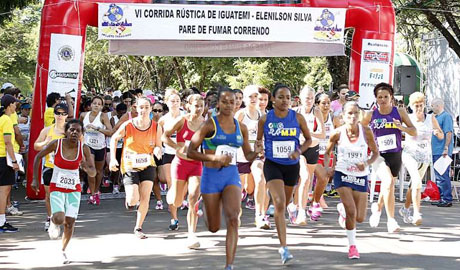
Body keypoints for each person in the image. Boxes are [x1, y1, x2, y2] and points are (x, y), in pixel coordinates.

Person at [187, 88, 262, 270]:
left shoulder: (241, 127)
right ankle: (204, 205)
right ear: (218, 104)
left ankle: (229, 265)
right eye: (225, 101)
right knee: (213, 228)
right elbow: (190, 151)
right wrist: (214, 158)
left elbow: (247, 154)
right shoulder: (209, 125)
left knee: (233, 218)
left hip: (231, 176)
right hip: (211, 177)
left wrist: (257, 151)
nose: (230, 105)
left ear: (237, 103)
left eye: (233, 101)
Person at [256, 83, 312, 264]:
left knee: (284, 204)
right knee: (279, 203)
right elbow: (258, 141)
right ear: (273, 99)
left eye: (288, 97)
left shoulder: (298, 118)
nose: (285, 101)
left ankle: (275, 200)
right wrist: (259, 149)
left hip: (291, 166)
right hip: (272, 164)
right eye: (281, 97)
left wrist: (299, 151)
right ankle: (284, 247)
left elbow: (309, 140)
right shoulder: (265, 119)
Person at [31, 119, 96, 264]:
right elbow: (38, 157)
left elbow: (93, 172)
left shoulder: (84, 149)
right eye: (71, 129)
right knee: (60, 219)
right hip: (57, 186)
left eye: (78, 131)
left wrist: (86, 168)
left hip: (74, 189)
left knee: (70, 222)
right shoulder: (57, 144)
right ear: (66, 131)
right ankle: (53, 222)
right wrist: (35, 179)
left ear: (81, 134)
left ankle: (63, 251)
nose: (74, 132)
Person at [324, 101, 379, 259]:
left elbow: (375, 152)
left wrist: (367, 163)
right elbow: (327, 152)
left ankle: (342, 210)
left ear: (360, 114)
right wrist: (328, 167)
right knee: (351, 211)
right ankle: (352, 246)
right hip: (342, 174)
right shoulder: (337, 133)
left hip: (361, 176)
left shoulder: (366, 131)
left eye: (356, 113)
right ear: (343, 116)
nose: (353, 116)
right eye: (349, 113)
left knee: (360, 217)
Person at [361, 82, 416, 233]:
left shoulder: (400, 112)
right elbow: (360, 131)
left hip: (395, 153)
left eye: (386, 96)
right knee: (387, 181)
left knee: (389, 184)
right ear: (376, 99)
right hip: (378, 155)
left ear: (391, 97)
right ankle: (391, 221)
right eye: (380, 97)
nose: (383, 100)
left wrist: (402, 128)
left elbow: (414, 131)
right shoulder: (370, 115)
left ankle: (378, 209)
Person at [110, 97, 162, 239]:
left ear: (150, 109)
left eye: (146, 107)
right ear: (136, 108)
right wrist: (113, 159)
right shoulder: (128, 125)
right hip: (130, 164)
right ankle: (130, 201)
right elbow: (114, 138)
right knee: (134, 199)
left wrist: (158, 150)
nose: (144, 110)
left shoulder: (156, 126)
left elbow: (158, 145)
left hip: (148, 163)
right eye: (141, 107)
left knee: (145, 198)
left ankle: (138, 227)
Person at [162, 94, 205, 249]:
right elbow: (164, 136)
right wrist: (177, 147)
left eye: (202, 105)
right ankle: (172, 192)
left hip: (196, 165)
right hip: (180, 163)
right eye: (196, 105)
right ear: (188, 106)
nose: (199, 109)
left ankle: (191, 235)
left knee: (194, 197)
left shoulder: (206, 124)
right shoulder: (182, 120)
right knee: (177, 202)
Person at [399, 92, 444, 225]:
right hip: (410, 154)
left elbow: (441, 135)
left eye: (421, 105)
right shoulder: (408, 118)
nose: (419, 108)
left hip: (424, 156)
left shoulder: (431, 118)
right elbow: (400, 130)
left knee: (414, 185)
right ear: (411, 106)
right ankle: (417, 213)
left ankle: (405, 208)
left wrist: (437, 133)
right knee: (417, 182)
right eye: (416, 106)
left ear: (424, 105)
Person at [291, 86, 325, 225]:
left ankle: (294, 206)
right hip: (300, 149)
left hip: (313, 148)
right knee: (304, 178)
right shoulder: (294, 112)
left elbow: (322, 134)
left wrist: (308, 133)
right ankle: (301, 213)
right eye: (306, 98)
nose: (309, 101)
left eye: (311, 98)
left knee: (305, 182)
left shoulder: (316, 111)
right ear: (300, 98)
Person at [34, 103, 69, 231]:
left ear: (67, 115)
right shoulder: (47, 130)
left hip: (65, 168)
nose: (60, 116)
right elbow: (36, 146)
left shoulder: (69, 130)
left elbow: (80, 143)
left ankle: (62, 217)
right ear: (54, 114)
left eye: (63, 113)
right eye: (58, 113)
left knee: (64, 195)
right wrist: (45, 142)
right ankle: (50, 218)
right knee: (49, 195)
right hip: (50, 166)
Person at [157, 88, 183, 230]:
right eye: (172, 101)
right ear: (167, 102)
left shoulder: (186, 117)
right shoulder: (162, 120)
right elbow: (159, 138)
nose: (175, 103)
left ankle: (182, 200)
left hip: (183, 155)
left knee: (183, 187)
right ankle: (174, 218)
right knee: (171, 186)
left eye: (177, 101)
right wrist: (158, 148)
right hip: (169, 155)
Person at [79, 96, 112, 205]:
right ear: (91, 105)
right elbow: (77, 128)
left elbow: (110, 132)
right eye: (94, 103)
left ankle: (97, 190)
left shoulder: (103, 116)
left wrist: (97, 128)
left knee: (98, 171)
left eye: (99, 104)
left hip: (100, 147)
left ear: (102, 106)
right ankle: (92, 194)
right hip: (88, 145)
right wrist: (83, 130)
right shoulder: (84, 115)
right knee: (91, 170)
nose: (96, 105)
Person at [235, 85, 259, 212]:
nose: (254, 99)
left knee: (251, 187)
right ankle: (235, 211)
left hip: (256, 153)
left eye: (256, 96)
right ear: (245, 99)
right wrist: (246, 130)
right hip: (241, 153)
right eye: (250, 96)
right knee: (241, 186)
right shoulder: (240, 114)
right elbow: (231, 131)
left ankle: (249, 195)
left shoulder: (261, 113)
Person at [0, 94, 20, 232]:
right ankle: (1, 221)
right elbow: (8, 142)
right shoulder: (6, 119)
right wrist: (14, 161)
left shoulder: (2, 118)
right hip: (3, 158)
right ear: (9, 105)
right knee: (4, 190)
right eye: (14, 104)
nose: (15, 106)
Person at [431, 98, 454, 207]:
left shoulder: (446, 117)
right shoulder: (437, 117)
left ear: (438, 105)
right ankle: (442, 197)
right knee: (439, 175)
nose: (431, 108)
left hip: (442, 150)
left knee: (443, 175)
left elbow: (448, 133)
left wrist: (446, 147)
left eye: (433, 105)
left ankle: (447, 198)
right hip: (436, 150)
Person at [109, 103, 128, 195]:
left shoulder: (128, 119)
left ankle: (119, 183)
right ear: (117, 112)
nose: (122, 115)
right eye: (120, 113)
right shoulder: (113, 119)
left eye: (123, 113)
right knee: (115, 166)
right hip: (116, 145)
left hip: (125, 146)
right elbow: (114, 130)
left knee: (123, 166)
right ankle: (115, 183)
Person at [151, 102, 166, 210]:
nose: (157, 113)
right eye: (155, 110)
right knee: (154, 178)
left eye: (159, 111)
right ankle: (159, 200)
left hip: (163, 152)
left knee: (163, 178)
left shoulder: (166, 123)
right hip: (150, 152)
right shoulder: (148, 123)